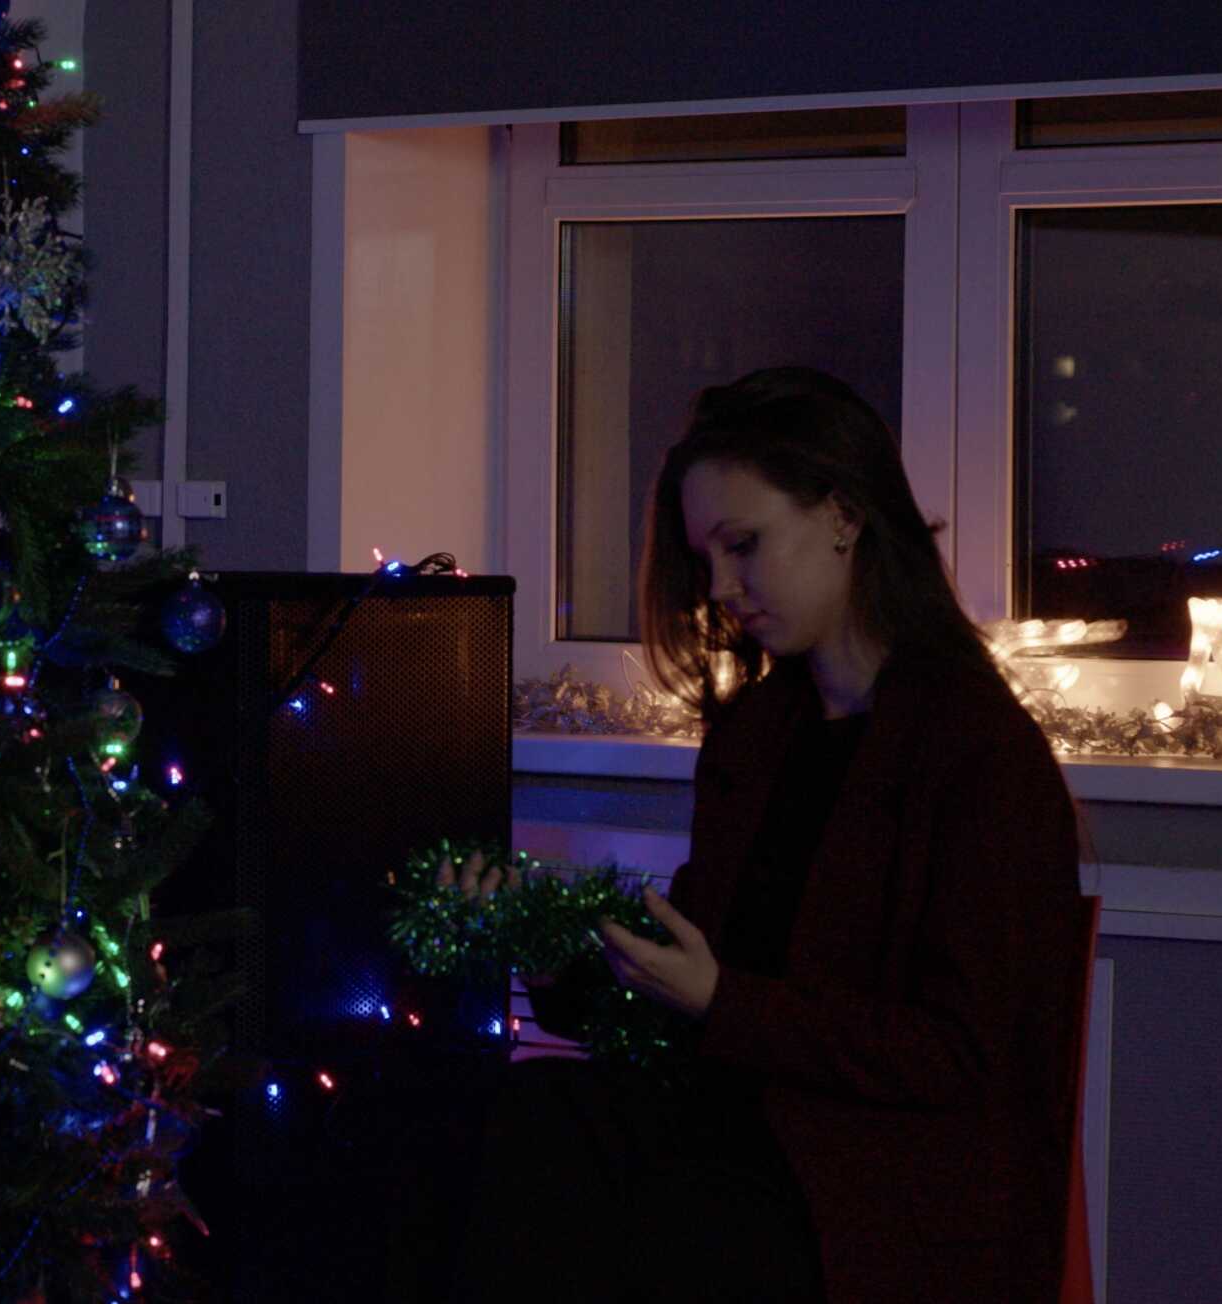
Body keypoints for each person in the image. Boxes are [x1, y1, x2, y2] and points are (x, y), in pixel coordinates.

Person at [453, 366, 1092, 1302]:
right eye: (706, 559)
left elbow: (961, 1055)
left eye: (743, 545)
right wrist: (559, 969)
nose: (721, 588)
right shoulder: (758, 736)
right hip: (736, 1141)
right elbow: (694, 999)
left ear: (843, 516)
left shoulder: (976, 752)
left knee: (605, 1200)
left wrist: (723, 1002)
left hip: (877, 1188)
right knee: (506, 1120)